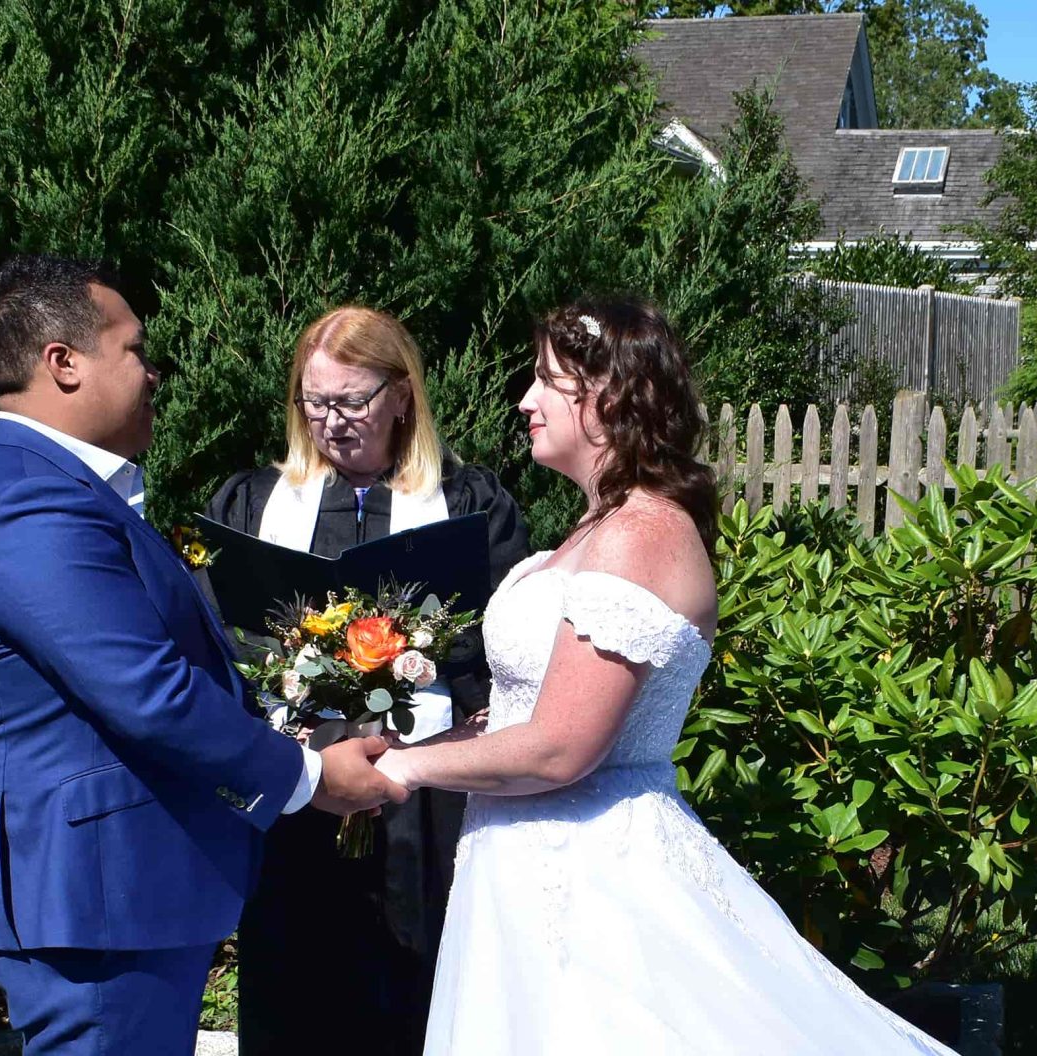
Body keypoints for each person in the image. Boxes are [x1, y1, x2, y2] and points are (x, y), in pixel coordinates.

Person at [374, 295, 958, 1055]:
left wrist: (407, 767)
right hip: (523, 865)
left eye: (547, 382)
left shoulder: (642, 535)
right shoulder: (594, 530)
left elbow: (560, 749)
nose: (525, 400)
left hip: (595, 878)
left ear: (609, 395)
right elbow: (529, 714)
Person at [0, 255, 408, 1056]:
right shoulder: (31, 503)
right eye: (136, 350)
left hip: (113, 895)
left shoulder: (49, 491)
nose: (155, 373)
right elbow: (147, 692)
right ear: (63, 363)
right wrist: (312, 778)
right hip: (96, 896)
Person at [203, 305, 528, 1056]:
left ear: (402, 395)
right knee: (299, 987)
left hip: (428, 788)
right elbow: (222, 628)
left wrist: (409, 655)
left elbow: (507, 631)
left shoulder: (471, 502)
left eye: (353, 401)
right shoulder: (253, 501)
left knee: (421, 980)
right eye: (315, 402)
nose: (332, 421)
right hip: (299, 782)